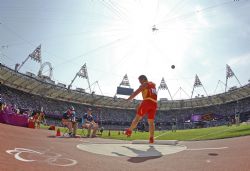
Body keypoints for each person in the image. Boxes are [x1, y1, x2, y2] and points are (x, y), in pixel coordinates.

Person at [125, 75, 157, 144]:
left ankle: (129, 131)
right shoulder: (153, 84)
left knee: (137, 118)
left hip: (147, 102)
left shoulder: (145, 84)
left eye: (140, 81)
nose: (140, 83)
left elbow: (136, 92)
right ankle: (151, 138)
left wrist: (129, 99)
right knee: (151, 122)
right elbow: (151, 93)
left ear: (143, 79)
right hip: (154, 104)